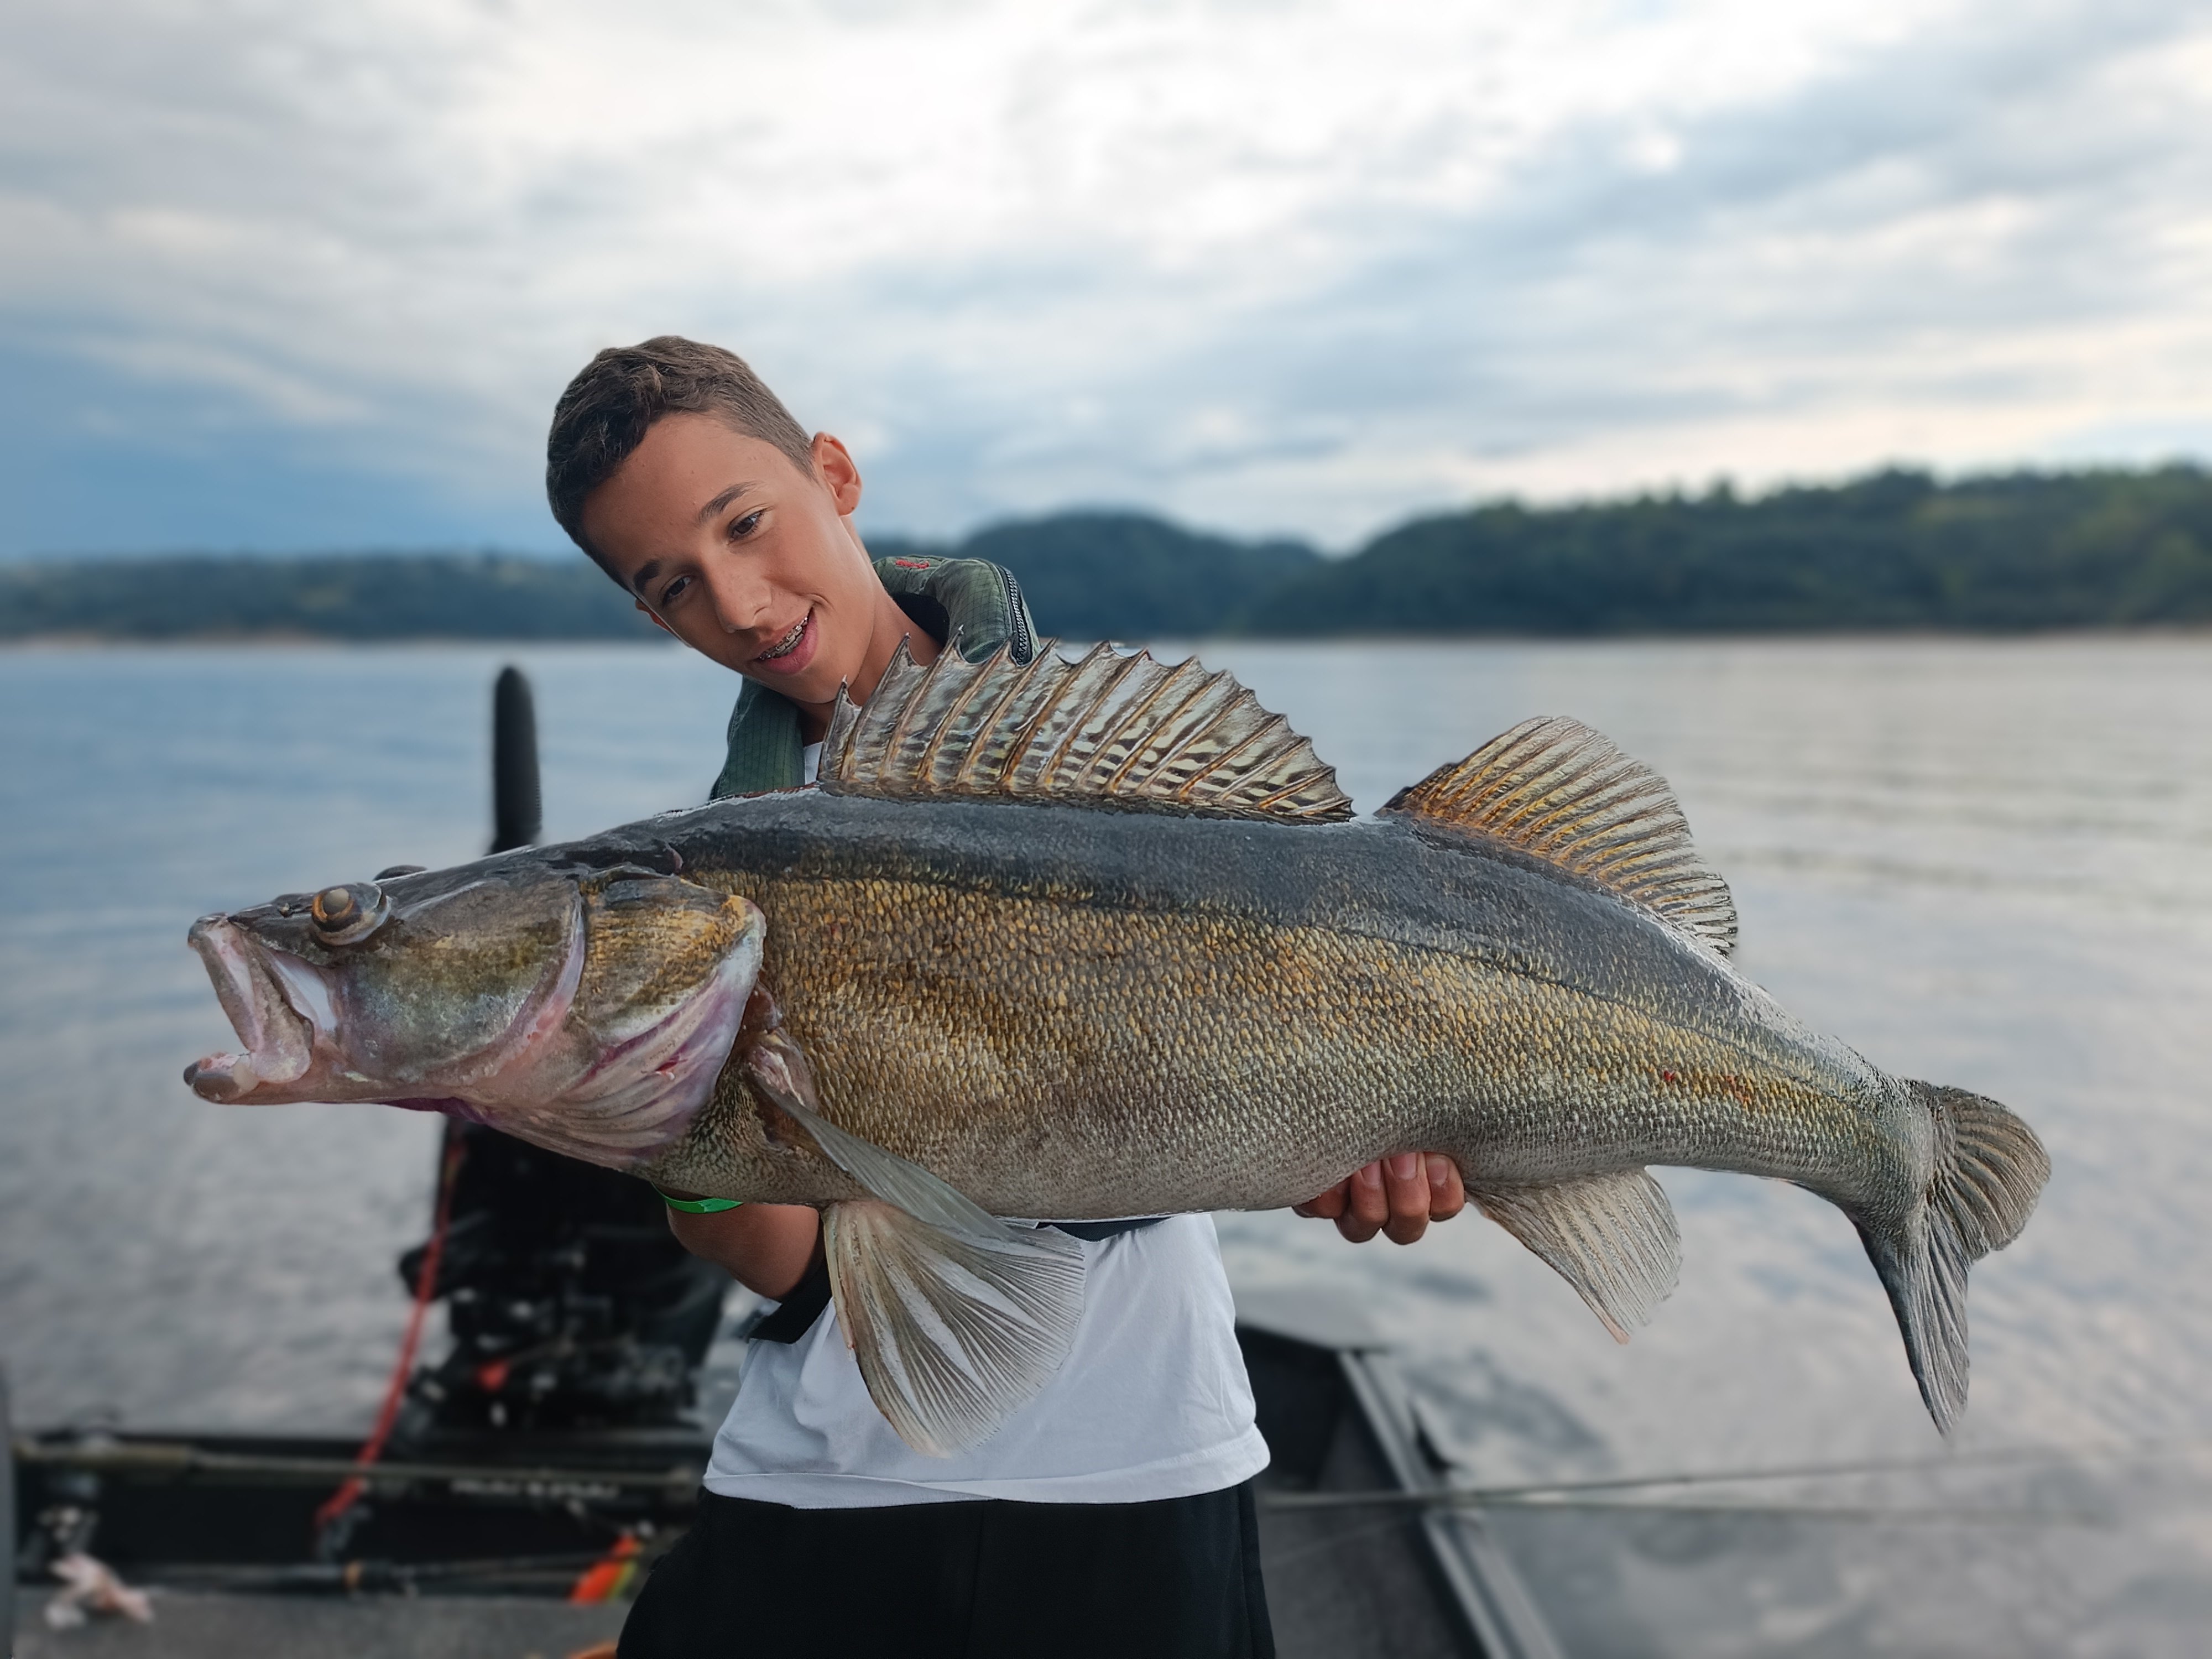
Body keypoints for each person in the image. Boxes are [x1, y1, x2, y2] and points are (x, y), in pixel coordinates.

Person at [542, 336, 1467, 1658]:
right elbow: (790, 1262)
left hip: (1139, 1452)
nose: (740, 604)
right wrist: (668, 1132)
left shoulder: (1110, 759)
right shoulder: (695, 885)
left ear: (834, 473)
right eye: (675, 584)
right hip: (834, 1469)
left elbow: (1296, 1000)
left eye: (747, 524)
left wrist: (1366, 1146)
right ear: (647, 613)